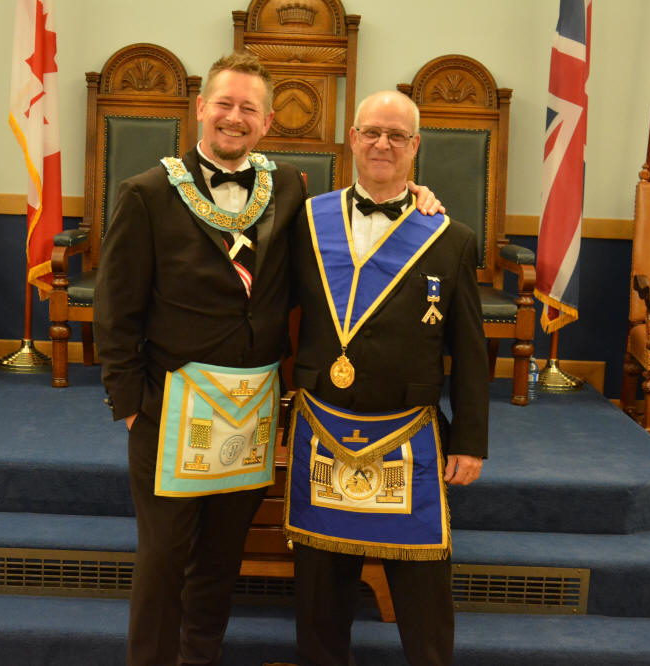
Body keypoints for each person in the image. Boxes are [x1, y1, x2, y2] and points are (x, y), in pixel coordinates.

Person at [94, 53, 440, 666]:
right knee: (164, 559)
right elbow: (115, 311)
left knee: (221, 558)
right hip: (169, 407)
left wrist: (413, 196)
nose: (235, 117)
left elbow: (343, 244)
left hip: (251, 410)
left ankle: (199, 658)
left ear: (268, 121)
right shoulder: (145, 193)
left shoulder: (287, 187)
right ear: (201, 108)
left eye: (248, 108)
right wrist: (131, 407)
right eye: (224, 104)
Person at [285, 90, 490, 666]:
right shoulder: (306, 221)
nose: (383, 144)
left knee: (424, 599)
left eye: (397, 135)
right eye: (372, 132)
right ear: (352, 138)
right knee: (321, 593)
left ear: (415, 146)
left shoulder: (449, 238)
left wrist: (470, 440)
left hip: (409, 432)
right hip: (322, 425)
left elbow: (470, 352)